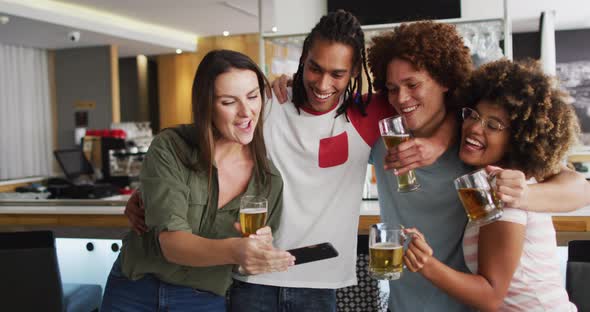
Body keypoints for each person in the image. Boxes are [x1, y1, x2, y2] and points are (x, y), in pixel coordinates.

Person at [366, 21, 590, 311]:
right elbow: (328, 99)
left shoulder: (489, 158)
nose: (401, 98)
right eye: (393, 88)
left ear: (445, 80)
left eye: (413, 85)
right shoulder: (390, 137)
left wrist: (519, 194)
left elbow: (579, 188)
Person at [100, 50, 294, 312]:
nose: (246, 112)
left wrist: (256, 251)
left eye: (252, 96)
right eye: (228, 102)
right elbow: (171, 245)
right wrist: (237, 249)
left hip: (201, 299)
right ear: (206, 106)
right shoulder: (170, 148)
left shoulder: (268, 180)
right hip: (134, 291)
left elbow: (245, 264)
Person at [404, 59, 579, 311]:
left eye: (494, 125)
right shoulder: (490, 182)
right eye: (472, 116)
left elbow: (490, 296)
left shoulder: (506, 191)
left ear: (517, 138)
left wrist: (426, 264)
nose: (474, 128)